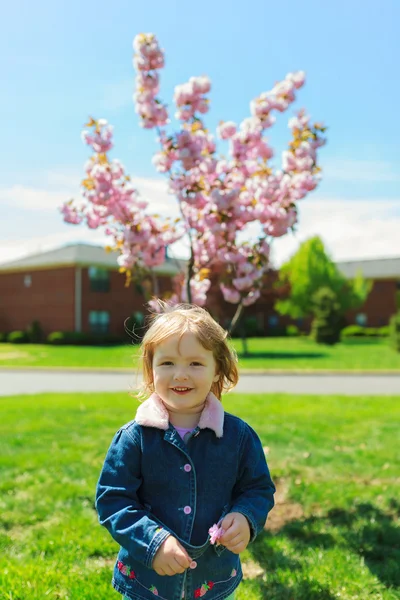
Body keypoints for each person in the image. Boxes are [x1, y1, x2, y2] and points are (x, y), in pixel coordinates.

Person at [95, 303, 275, 600]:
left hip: (213, 581)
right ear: (151, 371)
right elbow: (113, 500)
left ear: (218, 370)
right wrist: (152, 542)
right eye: (167, 364)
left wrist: (245, 517)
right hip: (147, 583)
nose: (180, 375)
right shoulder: (134, 438)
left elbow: (258, 489)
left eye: (195, 364)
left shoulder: (238, 437)